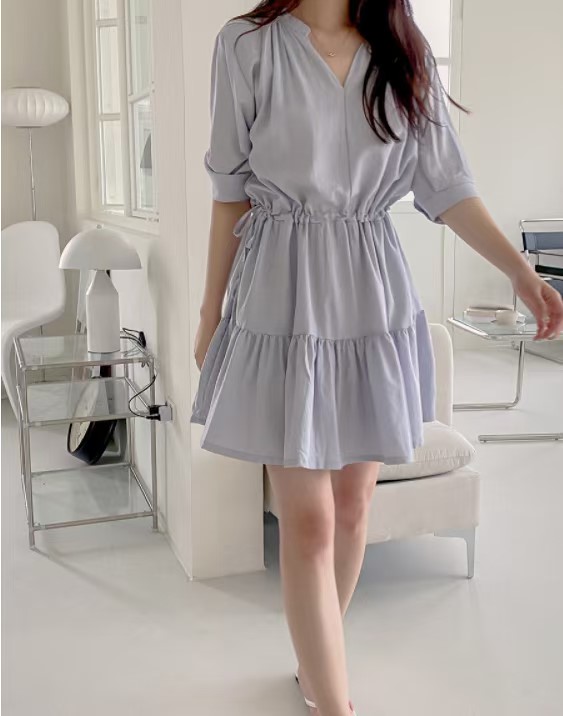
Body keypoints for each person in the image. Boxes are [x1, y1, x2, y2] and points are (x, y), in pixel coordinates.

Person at [190, 2, 563, 714]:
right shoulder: (246, 45)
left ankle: (316, 664)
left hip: (371, 293)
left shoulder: (402, 50)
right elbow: (228, 192)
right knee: (307, 520)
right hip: (281, 296)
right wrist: (211, 313)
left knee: (354, 506)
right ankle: (335, 701)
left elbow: (447, 186)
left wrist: (519, 271)